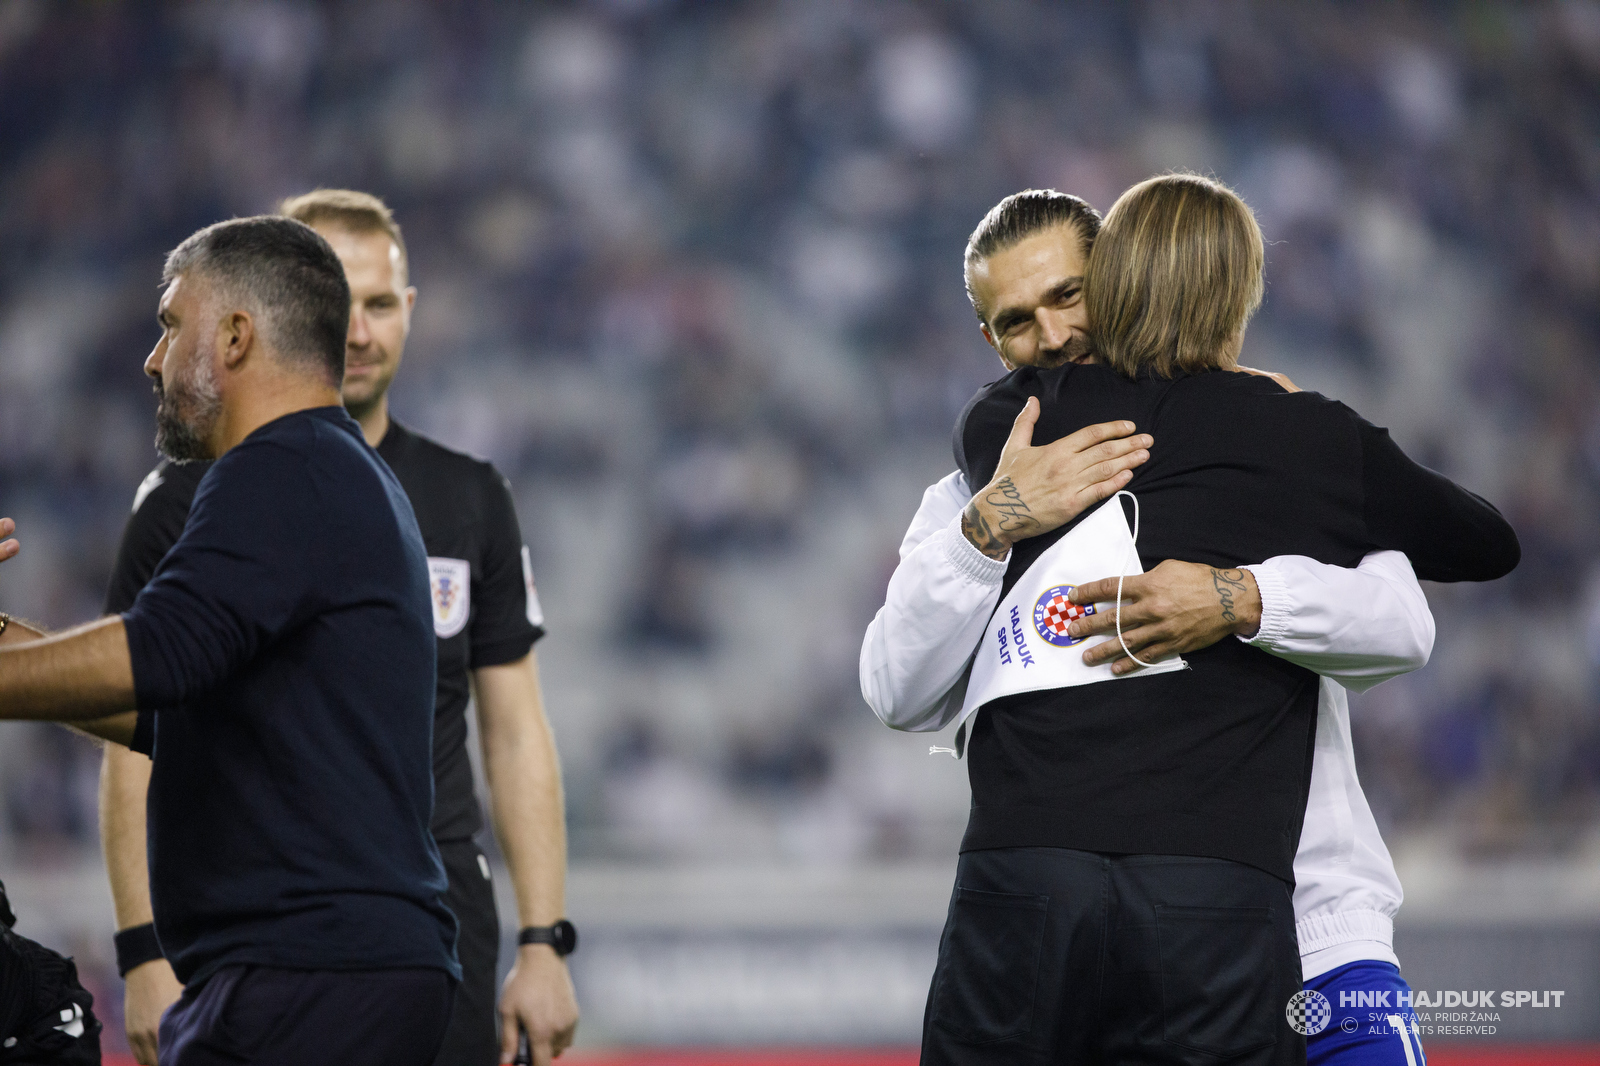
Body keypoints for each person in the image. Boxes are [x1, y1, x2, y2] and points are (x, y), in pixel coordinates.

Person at [881, 178, 1518, 1064]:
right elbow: (892, 689)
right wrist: (986, 524)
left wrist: (1241, 597)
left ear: (1122, 274)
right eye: (1019, 322)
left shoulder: (1019, 431)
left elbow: (1403, 625)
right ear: (988, 339)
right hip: (1215, 903)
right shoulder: (1292, 445)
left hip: (1316, 921)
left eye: (1069, 295)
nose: (1055, 337)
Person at [99, 190, 579, 1066]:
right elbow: (138, 719)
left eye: (383, 304)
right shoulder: (182, 499)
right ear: (291, 308)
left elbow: (512, 731)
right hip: (280, 932)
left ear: (411, 312)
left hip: (421, 918)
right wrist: (141, 950)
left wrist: (544, 939)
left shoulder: (469, 496)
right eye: (341, 302)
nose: (358, 331)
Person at [0, 215, 461, 1065]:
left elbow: (157, 652)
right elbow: (161, 705)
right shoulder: (329, 474)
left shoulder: (284, 467)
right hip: (338, 973)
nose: (152, 359)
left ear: (238, 337)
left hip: (307, 973)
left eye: (172, 325)